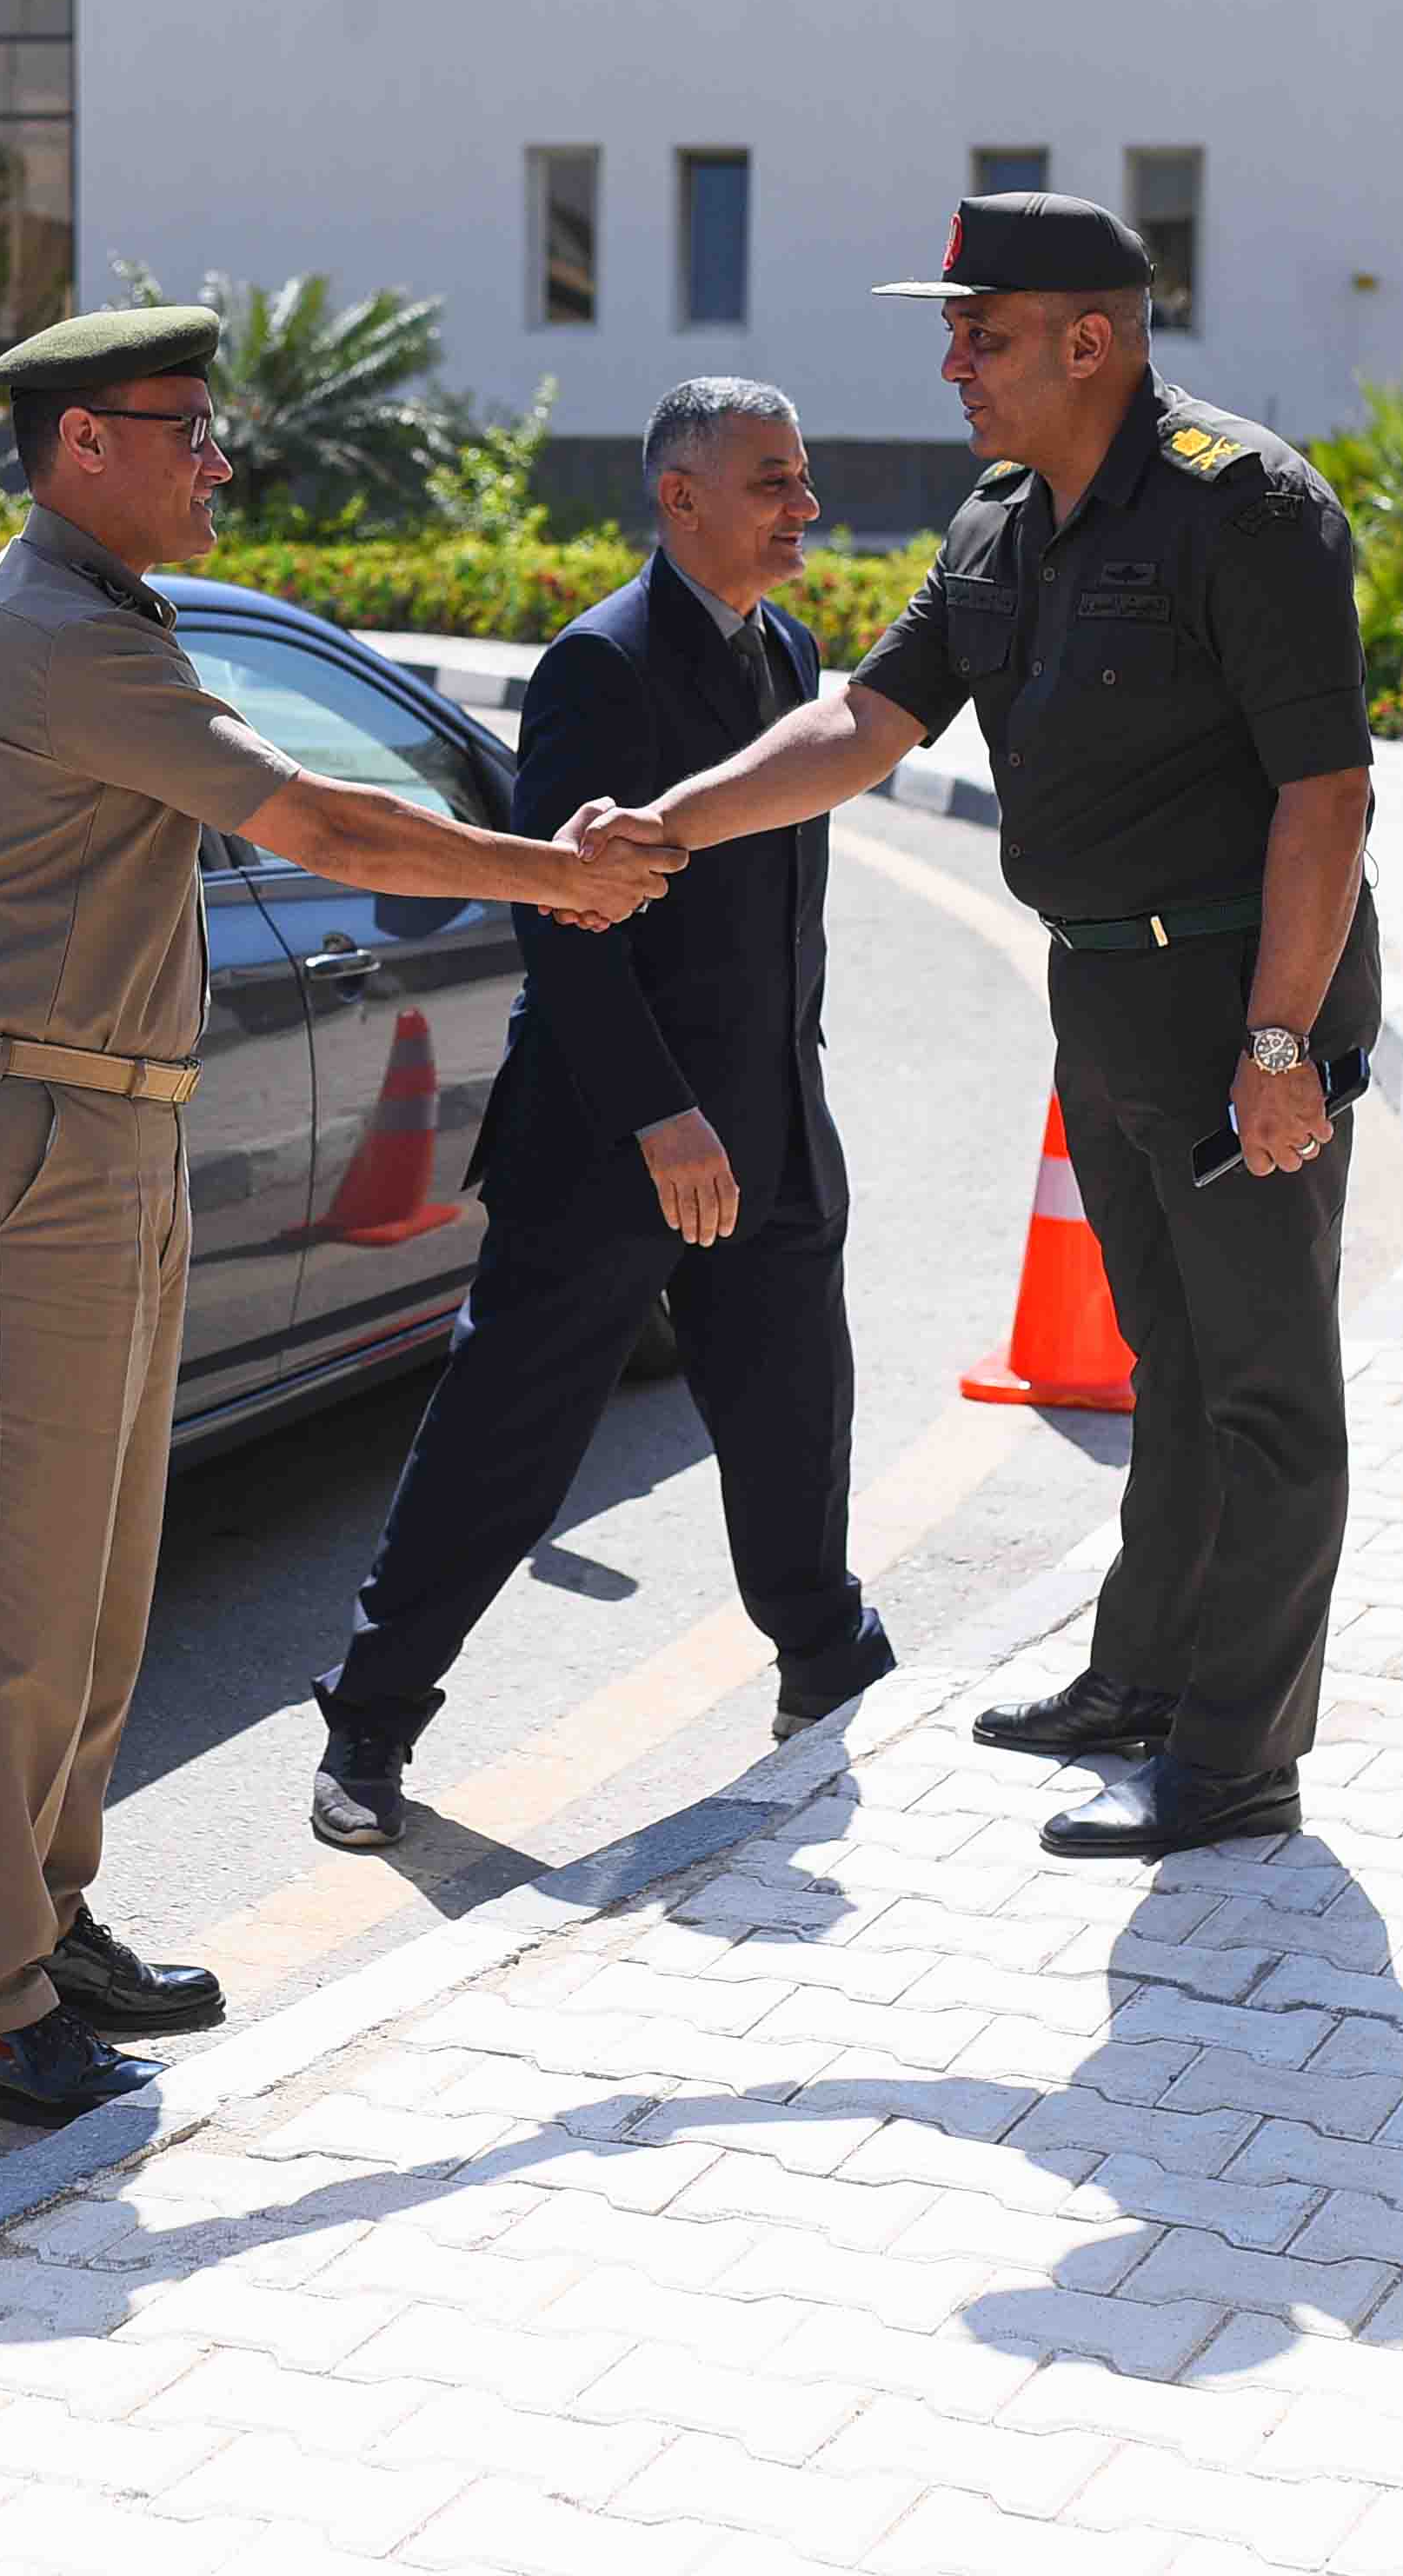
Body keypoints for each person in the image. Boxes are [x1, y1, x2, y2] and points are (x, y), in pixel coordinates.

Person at [0, 304, 675, 2124]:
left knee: (95, 1586)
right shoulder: (61, 630)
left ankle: (38, 1927)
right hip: (31, 1133)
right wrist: (546, 874)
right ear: (85, 444)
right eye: (186, 427)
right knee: (19, 1600)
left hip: (96, 1126)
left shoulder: (105, 612)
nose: (218, 458)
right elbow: (326, 823)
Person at [599, 190, 1378, 1861]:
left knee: (1264, 1386)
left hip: (1242, 997)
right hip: (1104, 991)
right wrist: (670, 822)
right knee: (1170, 1358)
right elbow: (863, 725)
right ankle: (1146, 1676)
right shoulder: (999, 524)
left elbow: (1326, 795)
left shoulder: (1244, 506)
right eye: (952, 331)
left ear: (1090, 341)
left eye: (982, 333)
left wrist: (1278, 1044)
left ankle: (1240, 1757)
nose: (951, 362)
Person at [309, 379, 889, 1848]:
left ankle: (824, 1657)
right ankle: (369, 1721)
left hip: (771, 1122)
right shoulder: (599, 664)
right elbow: (562, 922)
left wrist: (773, 1106)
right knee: (504, 1443)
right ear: (679, 496)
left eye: (802, 475)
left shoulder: (790, 652)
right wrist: (661, 1118)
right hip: (610, 1143)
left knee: (793, 1409)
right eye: (771, 481)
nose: (803, 506)